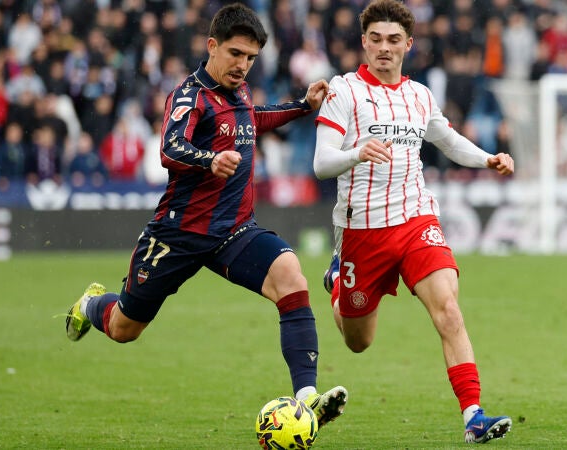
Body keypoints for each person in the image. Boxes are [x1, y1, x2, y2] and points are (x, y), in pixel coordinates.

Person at [64, 3, 347, 428]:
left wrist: (303, 106)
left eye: (250, 58)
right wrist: (209, 159)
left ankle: (307, 399)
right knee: (125, 328)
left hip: (234, 231)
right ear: (212, 45)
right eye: (235, 54)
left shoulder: (241, 92)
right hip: (178, 234)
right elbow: (169, 147)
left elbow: (252, 121)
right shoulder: (189, 95)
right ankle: (90, 305)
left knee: (291, 277)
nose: (242, 65)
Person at [313, 0, 514, 444]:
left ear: (408, 44)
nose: (384, 48)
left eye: (393, 40)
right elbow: (322, 163)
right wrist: (356, 153)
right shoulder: (344, 91)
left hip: (415, 217)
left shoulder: (420, 95)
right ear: (364, 43)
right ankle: (337, 282)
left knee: (448, 308)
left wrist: (488, 159)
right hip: (362, 230)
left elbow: (448, 141)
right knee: (358, 341)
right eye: (376, 39)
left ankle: (474, 416)